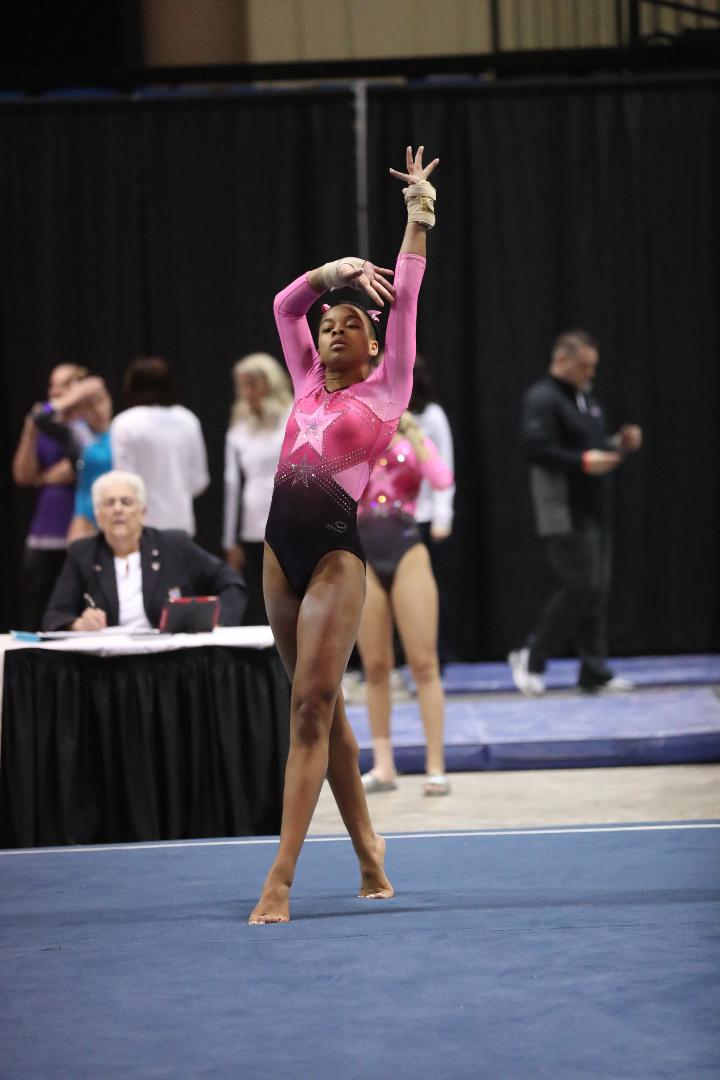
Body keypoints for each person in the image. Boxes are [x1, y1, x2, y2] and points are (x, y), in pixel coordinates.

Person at [249, 144, 438, 925]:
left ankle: (280, 880)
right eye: (329, 323)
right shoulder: (303, 381)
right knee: (321, 714)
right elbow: (284, 307)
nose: (333, 329)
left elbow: (409, 296)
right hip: (276, 557)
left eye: (351, 322)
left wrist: (418, 214)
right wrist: (331, 273)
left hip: (333, 558)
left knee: (309, 711)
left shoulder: (387, 390)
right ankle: (368, 851)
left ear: (374, 345)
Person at [508, 329, 642, 696]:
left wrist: (618, 444)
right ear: (562, 360)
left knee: (596, 592)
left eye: (593, 366)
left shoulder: (585, 398)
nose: (591, 373)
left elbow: (593, 447)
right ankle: (532, 656)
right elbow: (535, 449)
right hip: (563, 510)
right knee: (583, 586)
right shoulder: (542, 398)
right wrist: (583, 461)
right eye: (585, 366)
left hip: (594, 508)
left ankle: (593, 670)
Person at [355, 410, 454, 797]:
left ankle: (435, 765)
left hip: (407, 551)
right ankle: (384, 765)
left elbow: (442, 480)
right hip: (364, 556)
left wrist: (414, 436)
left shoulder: (412, 437)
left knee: (423, 663)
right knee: (376, 666)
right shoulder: (353, 439)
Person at [43, 470, 245, 631]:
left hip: (169, 659)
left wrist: (220, 621)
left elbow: (231, 583)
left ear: (143, 512)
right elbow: (55, 615)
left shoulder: (173, 545)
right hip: (106, 662)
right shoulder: (83, 554)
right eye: (109, 503)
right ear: (98, 516)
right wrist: (78, 624)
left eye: (126, 502)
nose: (118, 509)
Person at [11, 363, 87, 629]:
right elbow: (22, 475)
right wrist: (30, 431)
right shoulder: (43, 427)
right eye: (53, 385)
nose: (56, 391)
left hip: (79, 527)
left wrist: (41, 478)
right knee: (36, 607)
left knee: (75, 609)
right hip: (44, 531)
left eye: (64, 385)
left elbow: (74, 468)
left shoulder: (86, 426)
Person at [223, 352, 292, 625]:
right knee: (261, 603)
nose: (246, 393)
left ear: (269, 383)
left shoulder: (294, 416)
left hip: (290, 522)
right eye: (242, 386)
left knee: (291, 598)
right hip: (252, 527)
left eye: (252, 385)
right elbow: (232, 484)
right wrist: (230, 540)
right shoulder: (239, 426)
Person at [110, 356, 209, 535]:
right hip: (181, 525)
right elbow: (199, 481)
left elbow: (123, 480)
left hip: (140, 527)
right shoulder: (188, 420)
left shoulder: (124, 423)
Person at [409, 353, 456, 663]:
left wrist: (442, 517)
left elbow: (443, 471)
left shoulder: (432, 417)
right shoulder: (375, 414)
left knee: (424, 592)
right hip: (381, 520)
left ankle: (434, 658)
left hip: (422, 518)